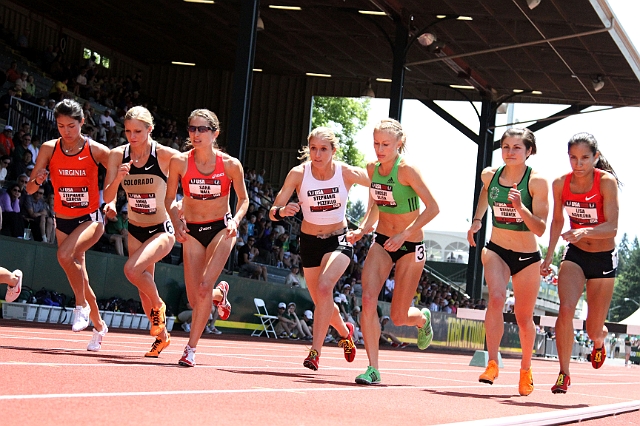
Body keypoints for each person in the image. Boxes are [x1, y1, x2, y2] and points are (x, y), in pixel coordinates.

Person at [269, 126, 369, 371]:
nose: (317, 154)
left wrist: (367, 223)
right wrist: (283, 211)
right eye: (313, 148)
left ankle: (315, 352)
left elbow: (380, 184)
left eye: (323, 149)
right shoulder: (298, 174)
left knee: (325, 287)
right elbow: (274, 211)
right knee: (321, 298)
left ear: (334, 151)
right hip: (310, 242)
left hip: (339, 239)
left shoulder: (345, 173)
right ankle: (346, 333)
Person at [348, 118, 439, 385]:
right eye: (376, 143)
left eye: (385, 144)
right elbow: (374, 206)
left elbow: (433, 208)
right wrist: (362, 229)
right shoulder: (372, 168)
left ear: (399, 144)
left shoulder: (407, 171)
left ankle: (422, 319)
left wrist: (404, 234)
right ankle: (373, 368)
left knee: (399, 316)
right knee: (367, 298)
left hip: (410, 245)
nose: (379, 149)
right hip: (383, 241)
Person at [467, 127, 549, 396]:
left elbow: (540, 229)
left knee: (523, 317)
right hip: (496, 249)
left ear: (529, 151)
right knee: (497, 298)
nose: (510, 152)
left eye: (517, 148)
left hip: (527, 257)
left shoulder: (537, 182)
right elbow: (485, 193)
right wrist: (477, 220)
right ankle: (492, 362)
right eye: (506, 147)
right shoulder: (490, 175)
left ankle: (526, 369)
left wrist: (520, 208)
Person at [25, 99, 111, 351]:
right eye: (61, 126)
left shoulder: (96, 150)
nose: (66, 131)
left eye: (71, 126)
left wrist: (112, 199)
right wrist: (38, 179)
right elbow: (30, 188)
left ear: (82, 122)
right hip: (63, 218)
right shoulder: (49, 149)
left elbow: (117, 173)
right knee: (80, 277)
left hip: (91, 218)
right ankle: (98, 326)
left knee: (64, 255)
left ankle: (80, 306)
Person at [165, 108, 249, 367]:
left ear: (215, 133)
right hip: (191, 231)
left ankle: (190, 349)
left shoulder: (230, 165)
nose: (196, 134)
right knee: (194, 298)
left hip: (221, 230)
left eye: (202, 129)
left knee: (201, 287)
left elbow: (244, 199)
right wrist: (177, 222)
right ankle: (217, 295)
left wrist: (235, 220)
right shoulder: (179, 162)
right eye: (192, 128)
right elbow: (169, 199)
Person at [542, 133, 620, 394]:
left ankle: (600, 341)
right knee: (565, 310)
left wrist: (584, 231)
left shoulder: (605, 182)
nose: (578, 163)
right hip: (574, 254)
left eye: (585, 158)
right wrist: (549, 254)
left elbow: (612, 227)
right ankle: (564, 373)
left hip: (603, 258)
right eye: (573, 158)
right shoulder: (560, 183)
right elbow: (556, 221)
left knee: (593, 328)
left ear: (595, 158)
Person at [103, 106, 180, 358]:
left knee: (131, 270)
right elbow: (107, 195)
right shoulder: (118, 155)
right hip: (135, 228)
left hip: (162, 229)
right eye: (127, 131)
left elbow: (194, 173)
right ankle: (162, 337)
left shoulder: (165, 155)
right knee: (142, 287)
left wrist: (182, 206)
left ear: (150, 129)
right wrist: (117, 181)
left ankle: (159, 306)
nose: (132, 136)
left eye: (138, 131)